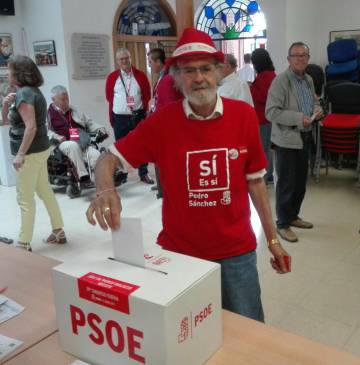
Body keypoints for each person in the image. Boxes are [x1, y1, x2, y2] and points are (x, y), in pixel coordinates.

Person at [86, 28, 291, 322]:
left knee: (248, 331)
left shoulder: (243, 116)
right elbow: (108, 159)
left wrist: (272, 241)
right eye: (189, 70)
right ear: (177, 77)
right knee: (186, 332)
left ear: (218, 72)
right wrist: (106, 190)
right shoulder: (161, 123)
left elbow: (256, 182)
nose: (198, 78)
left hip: (237, 252)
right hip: (181, 254)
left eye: (206, 68)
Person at [1, 55, 66, 252]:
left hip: (29, 153)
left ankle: (23, 242)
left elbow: (30, 128)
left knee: (25, 198)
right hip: (40, 149)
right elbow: (4, 121)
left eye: (10, 70)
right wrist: (5, 104)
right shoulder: (28, 92)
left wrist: (20, 154)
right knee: (44, 190)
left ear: (19, 73)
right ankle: (59, 231)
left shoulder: (25, 95)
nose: (7, 73)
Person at [266, 42, 323, 243]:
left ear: (308, 58)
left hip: (305, 137)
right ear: (288, 59)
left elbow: (314, 101)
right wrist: (299, 118)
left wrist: (317, 109)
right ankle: (282, 223)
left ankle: (293, 216)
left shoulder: (308, 79)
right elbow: (271, 111)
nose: (300, 59)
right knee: (286, 183)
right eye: (295, 55)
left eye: (303, 55)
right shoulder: (280, 81)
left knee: (300, 183)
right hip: (286, 140)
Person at [105, 47, 154, 184]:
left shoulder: (140, 75)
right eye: (121, 59)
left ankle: (143, 173)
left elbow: (146, 95)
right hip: (120, 118)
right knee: (120, 147)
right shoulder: (112, 77)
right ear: (117, 61)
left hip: (137, 116)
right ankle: (123, 174)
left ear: (130, 58)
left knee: (142, 145)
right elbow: (109, 97)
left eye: (126, 58)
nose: (124, 61)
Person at [47, 85, 106, 186]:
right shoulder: (48, 114)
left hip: (81, 141)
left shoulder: (73, 110)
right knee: (72, 145)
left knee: (96, 156)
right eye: (62, 99)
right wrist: (57, 136)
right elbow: (45, 131)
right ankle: (83, 177)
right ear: (53, 99)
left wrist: (100, 129)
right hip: (63, 143)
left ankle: (103, 180)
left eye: (67, 98)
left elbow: (88, 122)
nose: (66, 101)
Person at [147, 48, 183, 198]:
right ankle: (162, 186)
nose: (149, 66)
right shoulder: (163, 76)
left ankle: (166, 189)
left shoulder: (167, 78)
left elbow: (169, 106)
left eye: (150, 62)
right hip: (160, 124)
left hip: (166, 127)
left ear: (158, 61)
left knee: (165, 159)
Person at [250, 48, 276, 184]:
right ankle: (269, 174)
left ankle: (266, 176)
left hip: (264, 118)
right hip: (267, 117)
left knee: (264, 148)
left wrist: (251, 88)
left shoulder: (264, 76)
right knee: (267, 148)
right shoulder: (271, 74)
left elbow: (264, 97)